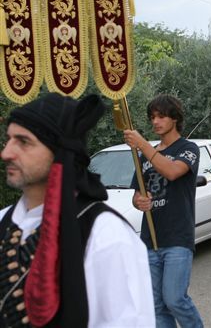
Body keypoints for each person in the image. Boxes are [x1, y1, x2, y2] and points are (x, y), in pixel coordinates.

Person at [0, 93, 154, 327]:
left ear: (58, 151)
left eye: (23, 142)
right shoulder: (3, 220)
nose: (6, 153)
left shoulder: (107, 235)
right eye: (8, 139)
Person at [127, 94, 203, 328]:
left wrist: (143, 144)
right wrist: (139, 201)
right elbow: (137, 193)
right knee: (157, 305)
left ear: (175, 118)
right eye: (152, 117)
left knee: (175, 299)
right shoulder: (143, 155)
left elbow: (172, 171)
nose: (155, 122)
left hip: (178, 237)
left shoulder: (188, 148)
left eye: (161, 116)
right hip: (150, 239)